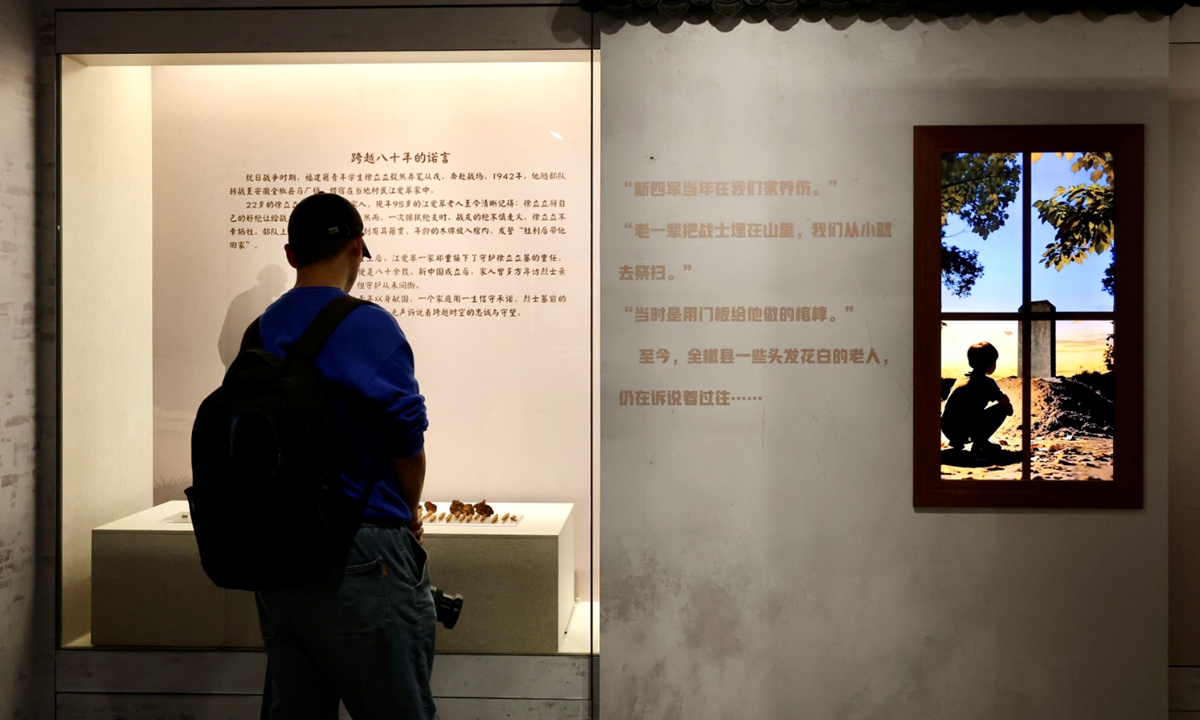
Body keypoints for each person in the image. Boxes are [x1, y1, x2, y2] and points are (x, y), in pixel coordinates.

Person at [252, 192, 437, 720]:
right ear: (358, 247)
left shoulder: (259, 331)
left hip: (277, 556)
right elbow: (407, 436)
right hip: (361, 550)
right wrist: (412, 506)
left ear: (291, 255)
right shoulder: (367, 324)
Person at [941, 341, 1013, 456]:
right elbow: (1008, 410)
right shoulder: (987, 383)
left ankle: (956, 443)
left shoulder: (961, 378)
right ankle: (980, 443)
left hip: (947, 429)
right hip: (965, 432)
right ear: (991, 364)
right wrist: (1006, 401)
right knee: (1001, 409)